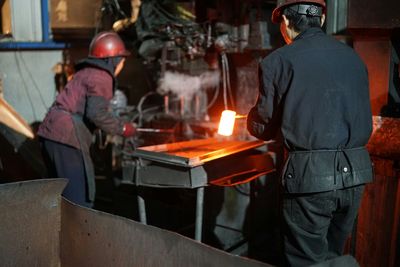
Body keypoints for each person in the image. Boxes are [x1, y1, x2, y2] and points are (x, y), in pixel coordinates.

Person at [246, 0, 374, 266]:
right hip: (355, 175)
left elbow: (264, 126)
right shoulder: (353, 58)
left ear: (285, 23)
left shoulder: (278, 61)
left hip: (310, 178)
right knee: (332, 256)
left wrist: (251, 120)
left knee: (306, 261)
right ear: (322, 20)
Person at [38, 31, 136, 208]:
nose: (122, 64)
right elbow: (96, 113)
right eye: (122, 60)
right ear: (112, 58)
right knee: (79, 200)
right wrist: (123, 129)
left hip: (50, 135)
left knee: (57, 196)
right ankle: (74, 235)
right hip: (67, 139)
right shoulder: (102, 76)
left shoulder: (87, 72)